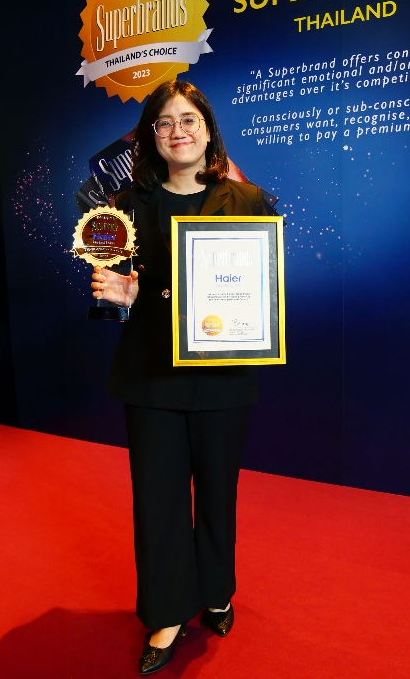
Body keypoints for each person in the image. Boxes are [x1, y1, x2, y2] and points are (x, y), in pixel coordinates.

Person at [91, 80, 269, 675]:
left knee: (218, 490)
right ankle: (167, 612)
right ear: (151, 137)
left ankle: (216, 591)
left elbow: (265, 283)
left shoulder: (248, 200)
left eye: (189, 119)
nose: (178, 131)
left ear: (208, 129)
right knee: (158, 497)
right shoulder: (126, 204)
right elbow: (116, 292)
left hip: (222, 374)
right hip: (150, 376)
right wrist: (122, 296)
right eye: (164, 122)